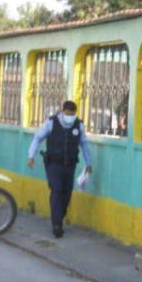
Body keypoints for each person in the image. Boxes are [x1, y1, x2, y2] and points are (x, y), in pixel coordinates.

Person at [27, 100, 92, 238]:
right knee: (56, 191)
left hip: (70, 165)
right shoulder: (51, 122)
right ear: (63, 112)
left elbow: (84, 144)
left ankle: (59, 216)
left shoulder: (78, 125)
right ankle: (57, 225)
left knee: (67, 194)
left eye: (73, 115)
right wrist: (31, 156)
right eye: (68, 114)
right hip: (54, 164)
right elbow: (37, 138)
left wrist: (88, 163)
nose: (71, 117)